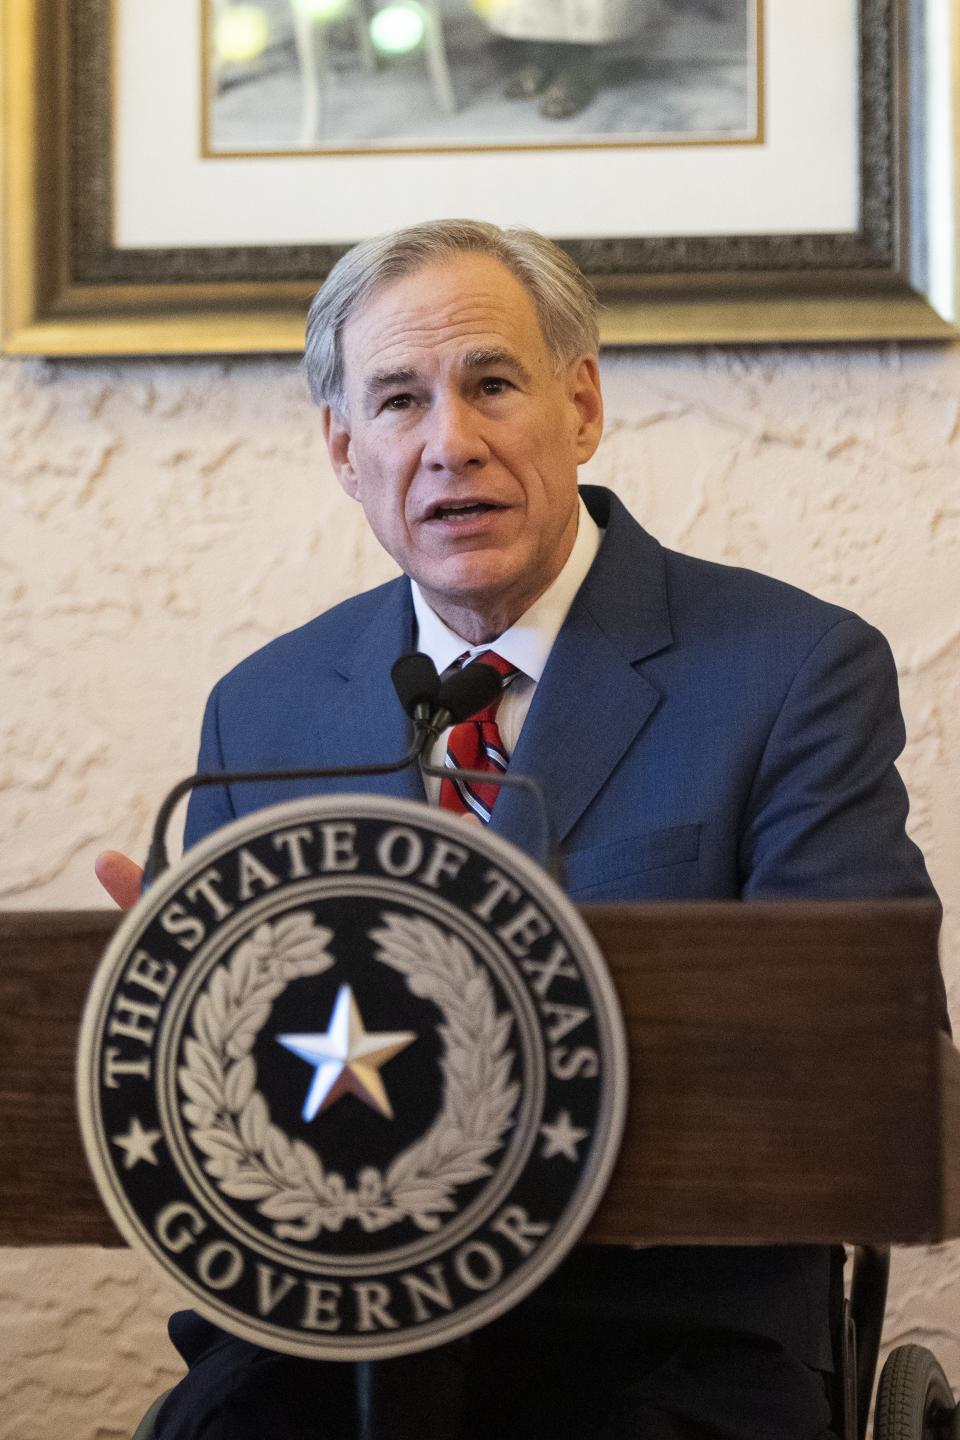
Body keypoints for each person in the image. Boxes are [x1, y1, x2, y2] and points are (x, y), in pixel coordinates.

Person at [97, 218, 942, 1440]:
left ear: (581, 406)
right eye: (397, 401)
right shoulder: (267, 707)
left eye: (492, 384)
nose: (452, 444)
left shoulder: (795, 670)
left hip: (659, 1340)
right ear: (345, 448)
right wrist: (172, 1021)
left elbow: (870, 1064)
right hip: (333, 1335)